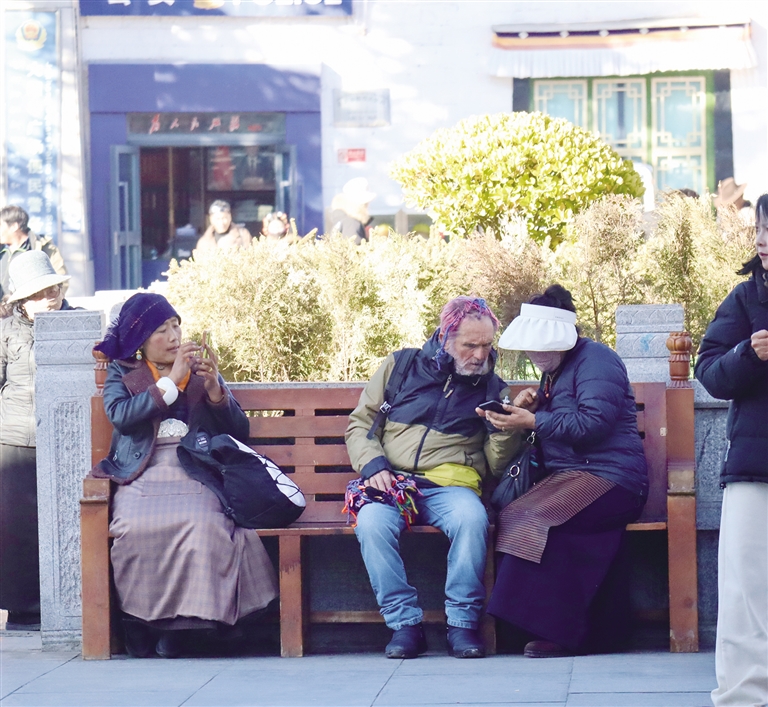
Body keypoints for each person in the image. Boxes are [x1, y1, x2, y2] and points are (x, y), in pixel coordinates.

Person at [91, 293, 277, 658]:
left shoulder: (197, 369)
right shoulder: (123, 372)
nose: (174, 336)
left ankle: (191, 628)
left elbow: (239, 431)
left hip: (194, 466)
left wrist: (216, 391)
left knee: (206, 525)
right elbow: (121, 416)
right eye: (162, 330)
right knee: (133, 528)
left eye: (176, 325)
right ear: (141, 340)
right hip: (142, 470)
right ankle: (142, 622)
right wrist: (170, 383)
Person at [345, 296, 520, 659]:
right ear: (445, 337)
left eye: (487, 346)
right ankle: (404, 625)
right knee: (372, 524)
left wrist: (505, 429)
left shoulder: (493, 389)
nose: (480, 355)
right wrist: (373, 465)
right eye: (470, 345)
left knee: (472, 519)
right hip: (393, 482)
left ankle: (462, 623)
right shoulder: (401, 366)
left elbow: (496, 464)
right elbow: (360, 424)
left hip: (452, 486)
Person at [481, 285, 648, 658]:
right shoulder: (554, 372)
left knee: (540, 519)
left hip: (615, 480)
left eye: (543, 346)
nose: (536, 353)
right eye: (531, 346)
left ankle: (562, 633)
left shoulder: (597, 360)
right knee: (515, 514)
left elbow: (593, 424)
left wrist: (534, 420)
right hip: (573, 477)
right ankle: (523, 630)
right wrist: (532, 407)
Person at [694, 194, 768, 707]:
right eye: (760, 230)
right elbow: (710, 372)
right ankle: (745, 697)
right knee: (745, 590)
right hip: (754, 466)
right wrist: (749, 354)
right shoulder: (744, 299)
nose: (762, 241)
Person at [0, 251, 75, 631]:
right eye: (40, 293)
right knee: (17, 529)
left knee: (65, 524)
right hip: (15, 440)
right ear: (22, 301)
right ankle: (23, 610)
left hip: (66, 439)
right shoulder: (5, 332)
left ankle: (69, 602)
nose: (50, 298)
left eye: (53, 289)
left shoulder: (78, 324)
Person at [0, 205, 67, 301]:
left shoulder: (42, 247)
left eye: (0, 225)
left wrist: (44, 302)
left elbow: (61, 280)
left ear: (14, 226)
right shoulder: (2, 251)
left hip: (25, 307)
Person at [329, 178, 375, 244]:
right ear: (362, 205)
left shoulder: (343, 222)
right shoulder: (352, 224)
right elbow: (355, 248)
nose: (368, 206)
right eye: (366, 203)